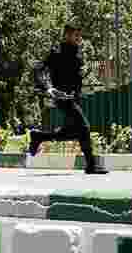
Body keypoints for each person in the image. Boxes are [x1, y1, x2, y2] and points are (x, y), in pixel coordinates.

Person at [27, 24, 108, 175]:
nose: (79, 39)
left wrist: (96, 72)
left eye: (80, 36)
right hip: (63, 98)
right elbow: (39, 69)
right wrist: (49, 88)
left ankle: (38, 136)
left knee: (72, 132)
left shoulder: (76, 53)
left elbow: (77, 76)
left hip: (74, 98)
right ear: (66, 35)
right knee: (84, 127)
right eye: (75, 36)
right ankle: (91, 165)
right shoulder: (57, 52)